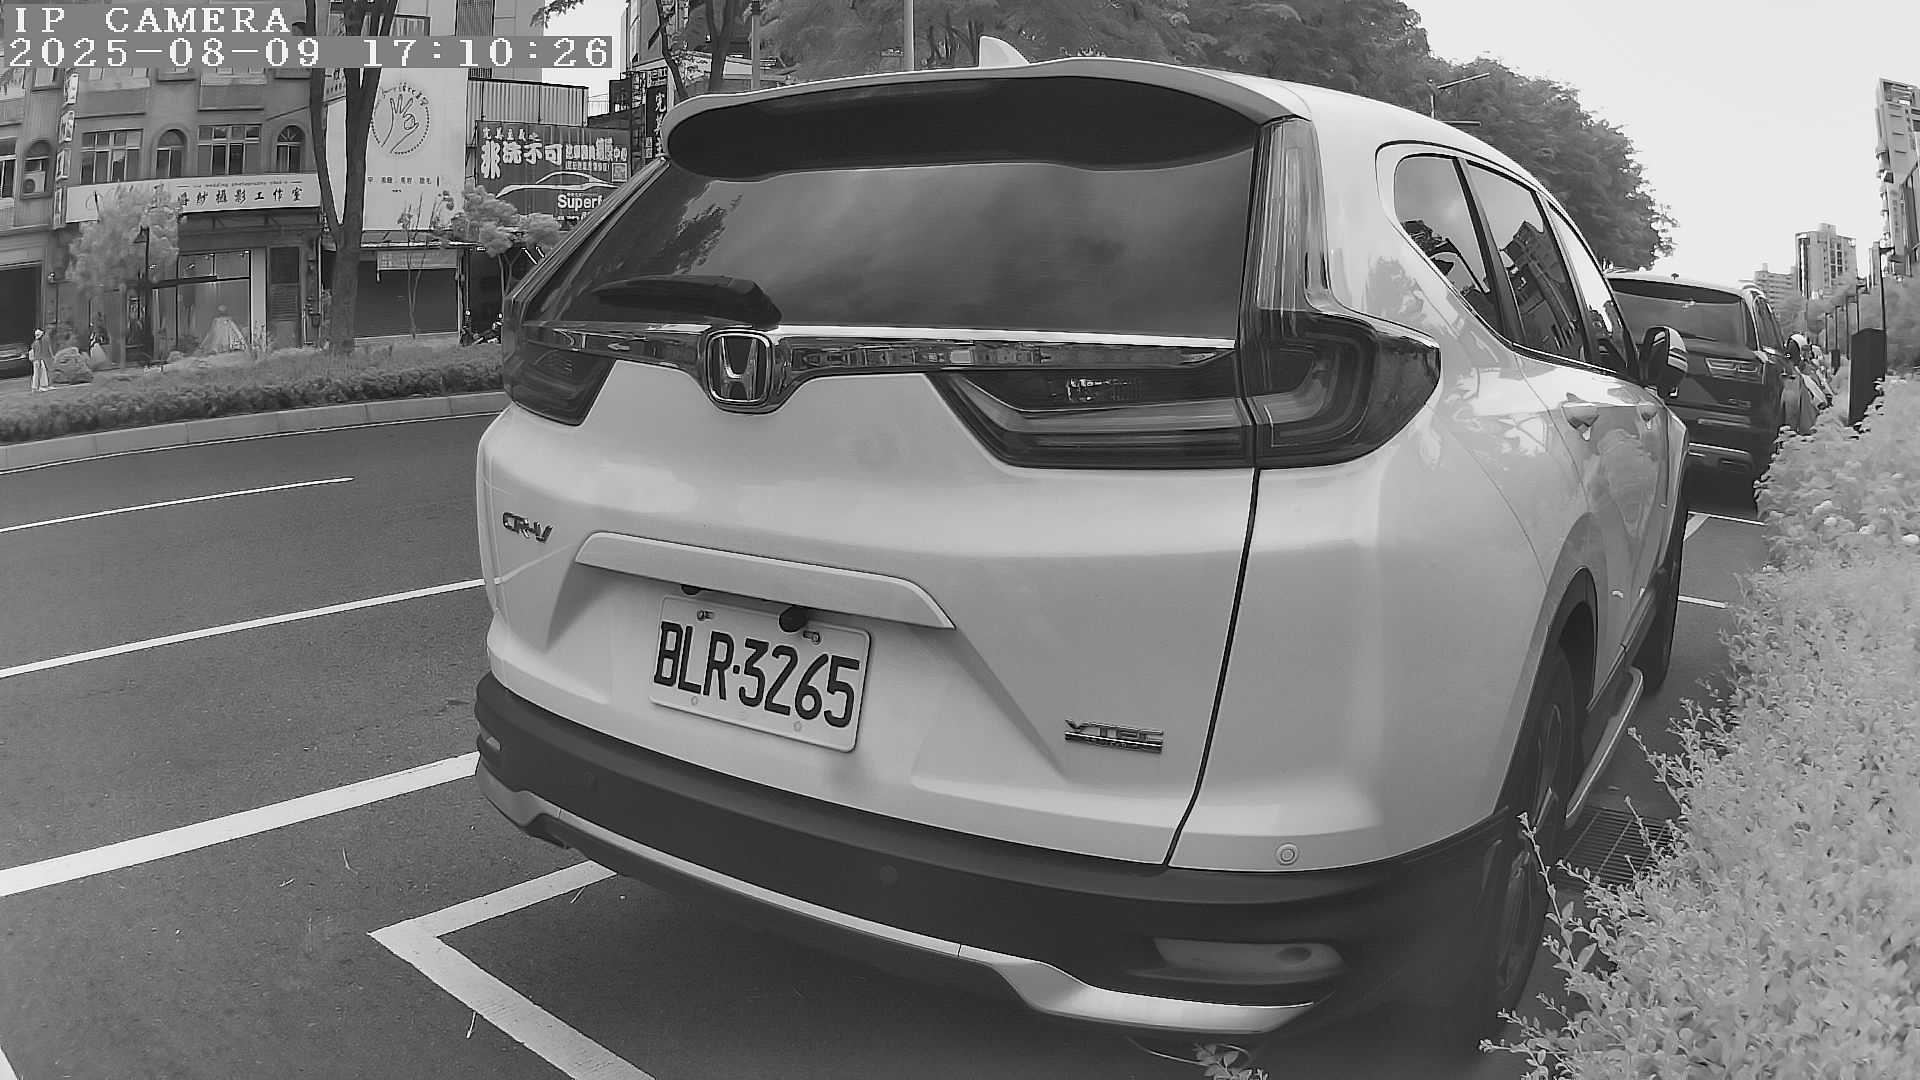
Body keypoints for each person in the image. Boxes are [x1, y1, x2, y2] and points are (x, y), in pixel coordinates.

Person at [29, 328, 51, 392]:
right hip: (37, 360)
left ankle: (42, 386)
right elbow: (36, 352)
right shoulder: (37, 343)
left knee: (41, 371)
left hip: (38, 359)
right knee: (37, 373)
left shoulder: (36, 343)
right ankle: (36, 387)